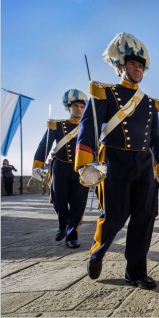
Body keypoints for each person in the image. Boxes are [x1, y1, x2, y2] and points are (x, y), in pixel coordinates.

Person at [75, 33, 159, 290]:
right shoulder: (104, 94)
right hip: (115, 160)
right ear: (120, 67)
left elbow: (156, 140)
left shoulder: (150, 104)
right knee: (115, 216)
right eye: (132, 65)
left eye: (141, 66)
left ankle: (136, 271)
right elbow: (88, 129)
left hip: (143, 164)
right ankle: (97, 252)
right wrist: (86, 164)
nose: (138, 69)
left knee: (145, 216)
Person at [32, 89, 89, 249]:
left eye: (82, 107)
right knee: (59, 200)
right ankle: (63, 225)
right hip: (60, 167)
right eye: (76, 106)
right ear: (68, 107)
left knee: (78, 204)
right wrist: (37, 166)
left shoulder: (89, 127)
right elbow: (44, 146)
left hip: (80, 169)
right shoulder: (57, 125)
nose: (79, 109)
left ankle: (72, 235)